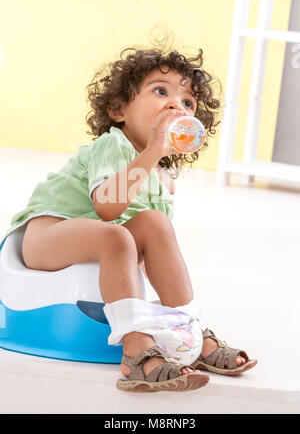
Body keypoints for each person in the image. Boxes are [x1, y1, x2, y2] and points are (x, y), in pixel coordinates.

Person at [4, 47, 257, 392]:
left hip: (102, 242)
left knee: (156, 223)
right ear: (119, 109)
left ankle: (189, 332)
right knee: (117, 236)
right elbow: (107, 209)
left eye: (188, 103)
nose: (175, 106)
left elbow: (142, 252)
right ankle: (135, 347)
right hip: (47, 238)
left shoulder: (156, 176)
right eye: (161, 91)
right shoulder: (113, 146)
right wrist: (152, 150)